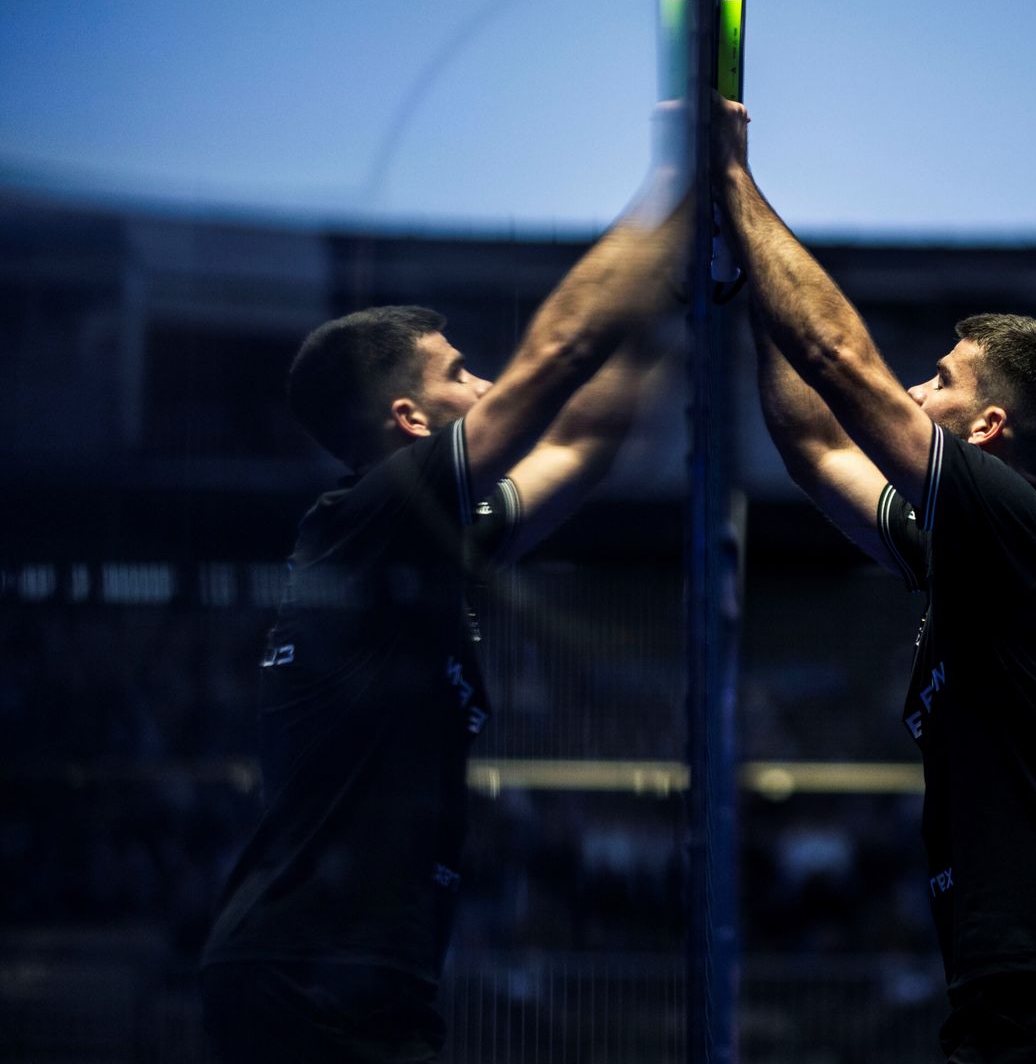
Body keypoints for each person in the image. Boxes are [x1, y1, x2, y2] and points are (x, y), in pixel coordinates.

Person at [715, 100, 1036, 1062]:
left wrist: (730, 180)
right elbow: (810, 442)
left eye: (939, 380)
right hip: (1030, 981)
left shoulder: (1025, 526)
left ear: (987, 432)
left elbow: (839, 362)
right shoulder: (969, 551)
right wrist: (752, 284)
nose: (916, 391)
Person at [198, 162, 685, 1063]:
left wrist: (675, 303)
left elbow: (584, 440)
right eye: (463, 374)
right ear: (411, 422)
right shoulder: (364, 517)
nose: (489, 385)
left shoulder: (423, 544)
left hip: (373, 976)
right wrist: (678, 184)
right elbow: (560, 359)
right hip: (303, 973)